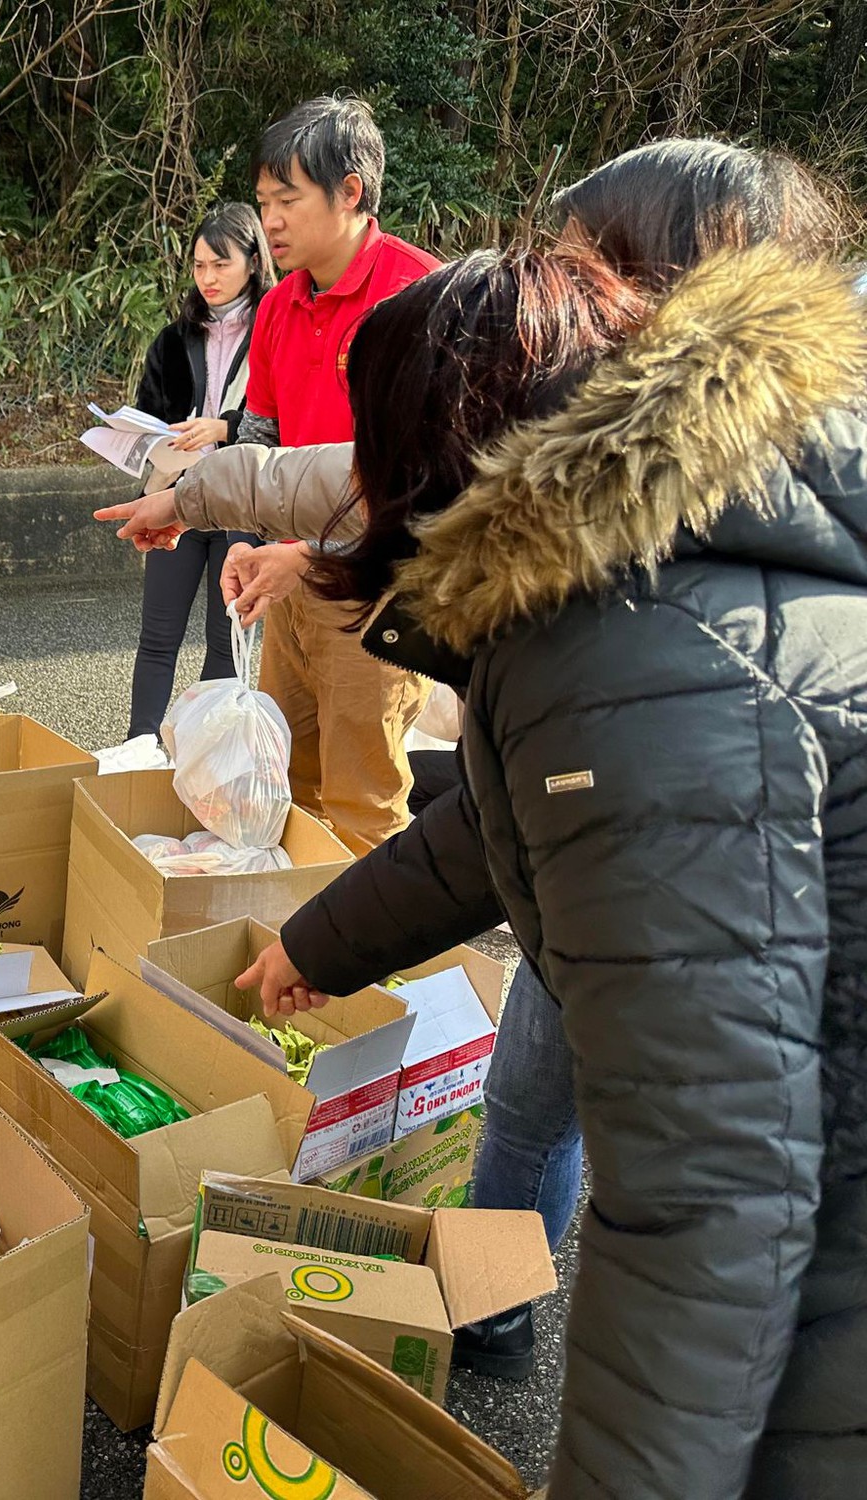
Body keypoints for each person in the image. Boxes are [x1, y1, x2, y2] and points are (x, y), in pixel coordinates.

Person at [103, 137, 849, 1382]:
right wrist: (325, 942)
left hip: (750, 1225)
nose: (549, 300)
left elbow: (701, 1232)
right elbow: (518, 803)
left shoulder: (656, 613)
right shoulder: (612, 507)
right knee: (527, 1085)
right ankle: (490, 1306)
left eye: (576, 274)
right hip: (634, 900)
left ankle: (491, 1308)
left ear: (651, 302)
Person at [237, 236, 867, 1499]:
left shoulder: (627, 659)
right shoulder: (630, 574)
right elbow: (492, 827)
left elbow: (706, 1208)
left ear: (434, 447)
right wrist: (318, 944)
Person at [105, 97, 437, 854]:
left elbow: (423, 485)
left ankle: (367, 966)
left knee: (364, 800)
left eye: (288, 199)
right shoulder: (281, 306)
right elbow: (264, 443)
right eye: (264, 203)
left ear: (351, 192)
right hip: (290, 588)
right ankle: (298, 952)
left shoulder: (420, 297)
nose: (272, 221)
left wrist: (308, 555)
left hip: (379, 591)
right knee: (284, 787)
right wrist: (242, 537)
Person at [124, 203, 275, 737]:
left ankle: (207, 756)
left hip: (242, 503)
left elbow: (277, 421)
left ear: (254, 263)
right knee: (157, 637)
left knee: (226, 641)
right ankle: (138, 748)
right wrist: (154, 437)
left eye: (220, 264)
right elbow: (150, 414)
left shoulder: (277, 330)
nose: (207, 278)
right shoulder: (173, 337)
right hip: (177, 496)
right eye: (198, 265)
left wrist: (224, 428)